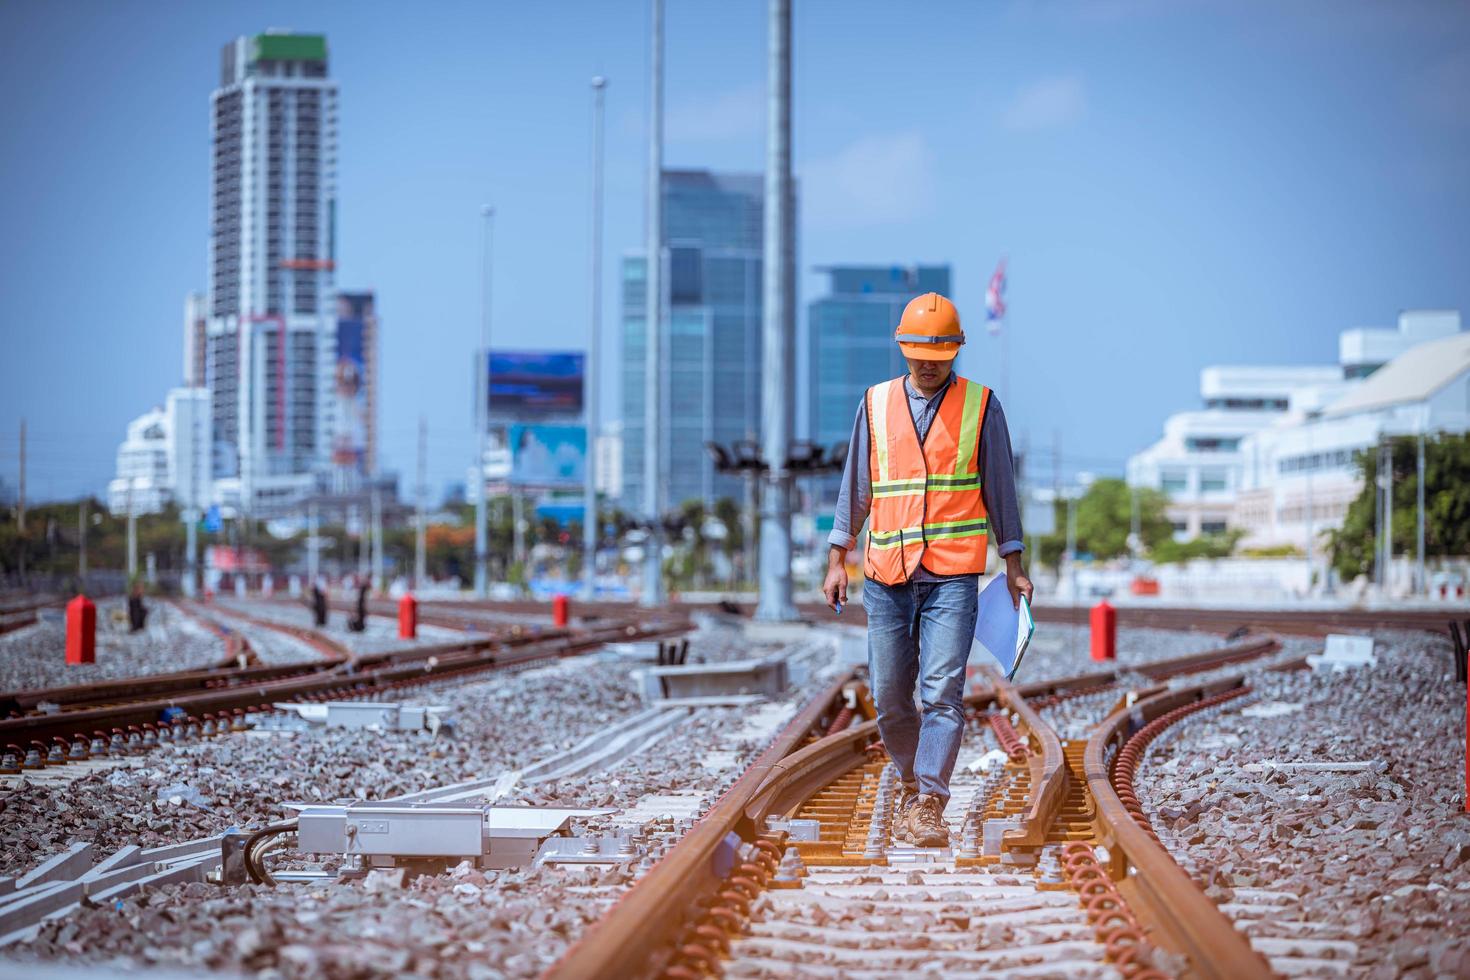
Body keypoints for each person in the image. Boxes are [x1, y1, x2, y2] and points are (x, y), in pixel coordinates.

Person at [821, 291, 1033, 848]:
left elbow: (1000, 490)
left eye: (938, 353)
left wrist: (1013, 563)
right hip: (887, 573)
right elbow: (856, 487)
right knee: (891, 696)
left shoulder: (981, 406)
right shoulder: (876, 403)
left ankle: (930, 802)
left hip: (952, 575)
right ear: (902, 348)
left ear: (956, 350)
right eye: (918, 352)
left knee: (943, 691)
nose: (928, 362)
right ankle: (916, 780)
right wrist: (836, 556)